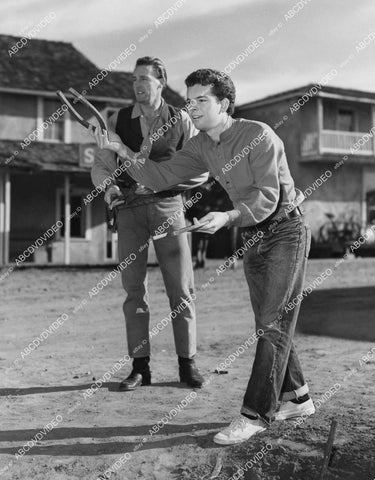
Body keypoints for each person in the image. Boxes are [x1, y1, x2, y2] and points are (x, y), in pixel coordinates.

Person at [91, 68, 315, 445]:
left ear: (224, 103)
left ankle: (255, 414)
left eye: (201, 101)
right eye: (189, 101)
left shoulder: (258, 135)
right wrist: (118, 150)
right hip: (252, 233)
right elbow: (160, 176)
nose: (191, 108)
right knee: (269, 322)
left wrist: (226, 217)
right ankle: (300, 398)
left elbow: (266, 199)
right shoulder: (200, 147)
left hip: (285, 231)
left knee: (273, 323)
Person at [91, 57, 208, 391]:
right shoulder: (116, 119)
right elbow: (101, 164)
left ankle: (188, 366)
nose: (138, 85)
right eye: (134, 79)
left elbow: (201, 168)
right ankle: (140, 368)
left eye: (145, 78)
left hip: (167, 208)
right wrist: (108, 187)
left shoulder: (181, 118)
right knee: (133, 291)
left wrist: (166, 183)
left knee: (182, 289)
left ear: (161, 82)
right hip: (129, 211)